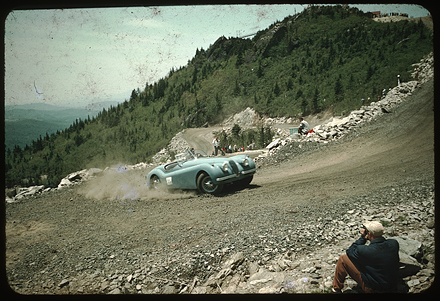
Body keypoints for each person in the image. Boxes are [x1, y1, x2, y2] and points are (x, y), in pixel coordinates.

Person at [332, 221, 400, 293]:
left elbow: (350, 251)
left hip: (373, 289)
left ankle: (336, 290)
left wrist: (363, 237)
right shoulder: (394, 243)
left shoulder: (365, 251)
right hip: (392, 287)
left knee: (343, 259)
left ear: (369, 234)